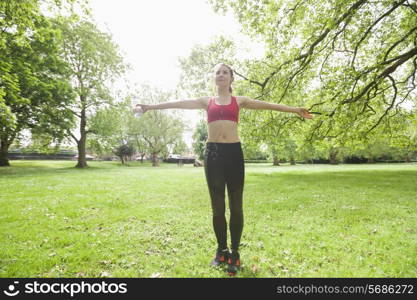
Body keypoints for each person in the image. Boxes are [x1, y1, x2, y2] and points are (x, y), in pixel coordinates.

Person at [133, 63, 313, 276]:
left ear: (231, 78)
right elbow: (178, 103)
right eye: (217, 72)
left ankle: (234, 253)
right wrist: (150, 107)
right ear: (214, 78)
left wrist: (294, 110)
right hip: (213, 155)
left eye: (224, 72)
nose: (220, 75)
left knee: (236, 207)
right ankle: (221, 250)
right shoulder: (206, 101)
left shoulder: (240, 101)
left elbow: (266, 105)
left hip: (234, 154)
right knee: (217, 208)